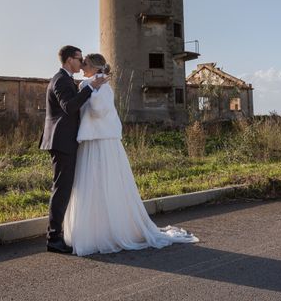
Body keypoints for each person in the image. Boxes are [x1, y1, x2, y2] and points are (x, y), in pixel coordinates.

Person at [63, 53, 198, 256]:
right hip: (91, 141)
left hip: (103, 141)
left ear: (97, 68)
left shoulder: (102, 86)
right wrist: (89, 87)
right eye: (82, 62)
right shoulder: (89, 83)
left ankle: (107, 231)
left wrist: (94, 87)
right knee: (91, 185)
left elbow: (99, 110)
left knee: (105, 183)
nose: (82, 66)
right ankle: (94, 229)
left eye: (86, 63)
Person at [39, 45, 109, 254]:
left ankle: (59, 234)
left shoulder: (67, 79)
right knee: (62, 189)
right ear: (70, 60)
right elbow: (69, 106)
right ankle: (53, 239)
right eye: (79, 59)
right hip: (62, 141)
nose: (81, 63)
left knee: (65, 188)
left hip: (66, 141)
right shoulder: (60, 80)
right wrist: (90, 87)